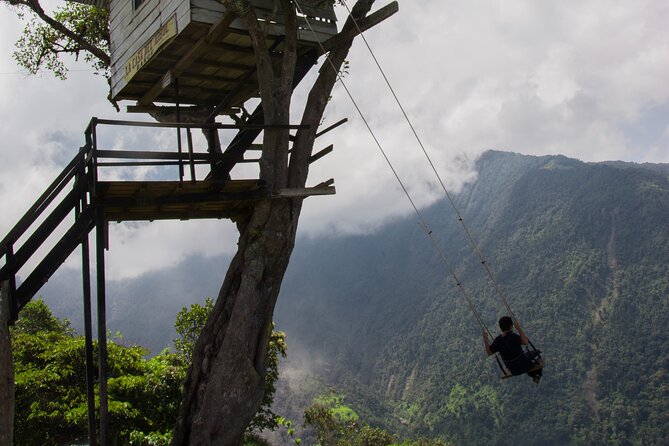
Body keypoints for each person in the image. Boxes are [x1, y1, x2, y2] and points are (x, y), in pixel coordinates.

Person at [483, 316, 543, 383]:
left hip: (513, 370)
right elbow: (526, 342)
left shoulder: (498, 340)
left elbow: (489, 353)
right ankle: (537, 375)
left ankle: (535, 375)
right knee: (537, 353)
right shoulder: (512, 336)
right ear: (511, 326)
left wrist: (485, 339)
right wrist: (519, 329)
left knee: (525, 358)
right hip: (525, 365)